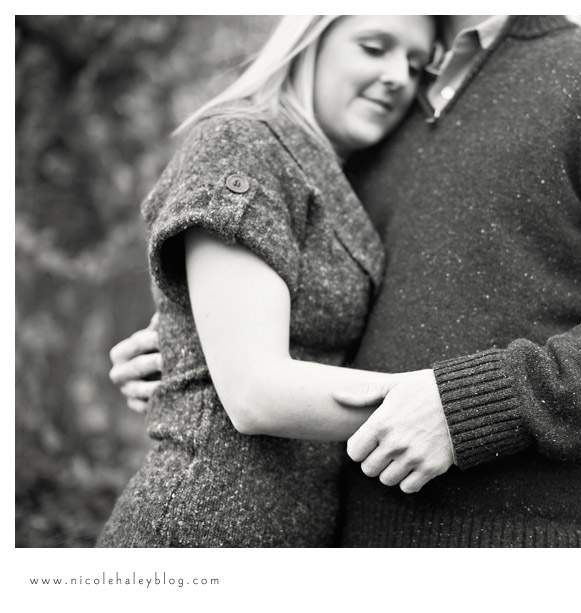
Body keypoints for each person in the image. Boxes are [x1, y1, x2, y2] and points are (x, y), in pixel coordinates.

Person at [111, 15, 581, 547]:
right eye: (375, 48)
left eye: (407, 60)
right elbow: (301, 294)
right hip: (334, 546)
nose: (394, 71)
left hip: (523, 552)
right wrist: (196, 338)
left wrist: (471, 405)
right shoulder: (377, 125)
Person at [97, 15, 439, 547]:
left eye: (418, 67)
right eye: (375, 47)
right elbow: (256, 393)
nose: (399, 75)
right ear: (309, 43)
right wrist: (447, 406)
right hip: (202, 533)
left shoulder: (330, 171)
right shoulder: (242, 143)